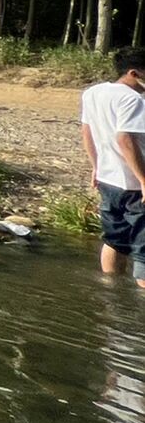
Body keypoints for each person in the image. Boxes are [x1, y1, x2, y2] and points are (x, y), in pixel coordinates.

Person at [83, 46, 145, 287]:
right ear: (133, 73)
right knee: (143, 247)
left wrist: (95, 167)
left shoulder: (93, 93)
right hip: (132, 184)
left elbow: (86, 130)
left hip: (108, 180)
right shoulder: (133, 99)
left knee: (114, 239)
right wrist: (143, 180)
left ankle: (110, 290)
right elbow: (125, 139)